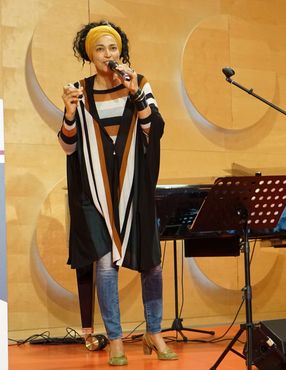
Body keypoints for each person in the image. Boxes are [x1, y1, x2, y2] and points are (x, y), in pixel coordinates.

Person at [58, 20, 177, 365]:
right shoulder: (78, 92)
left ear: (121, 53)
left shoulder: (139, 85)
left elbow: (154, 129)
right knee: (106, 265)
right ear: (89, 56)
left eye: (113, 48)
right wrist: (68, 112)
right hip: (95, 194)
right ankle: (115, 339)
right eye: (100, 49)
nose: (107, 55)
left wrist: (135, 92)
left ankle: (154, 332)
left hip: (134, 189)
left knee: (151, 264)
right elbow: (68, 147)